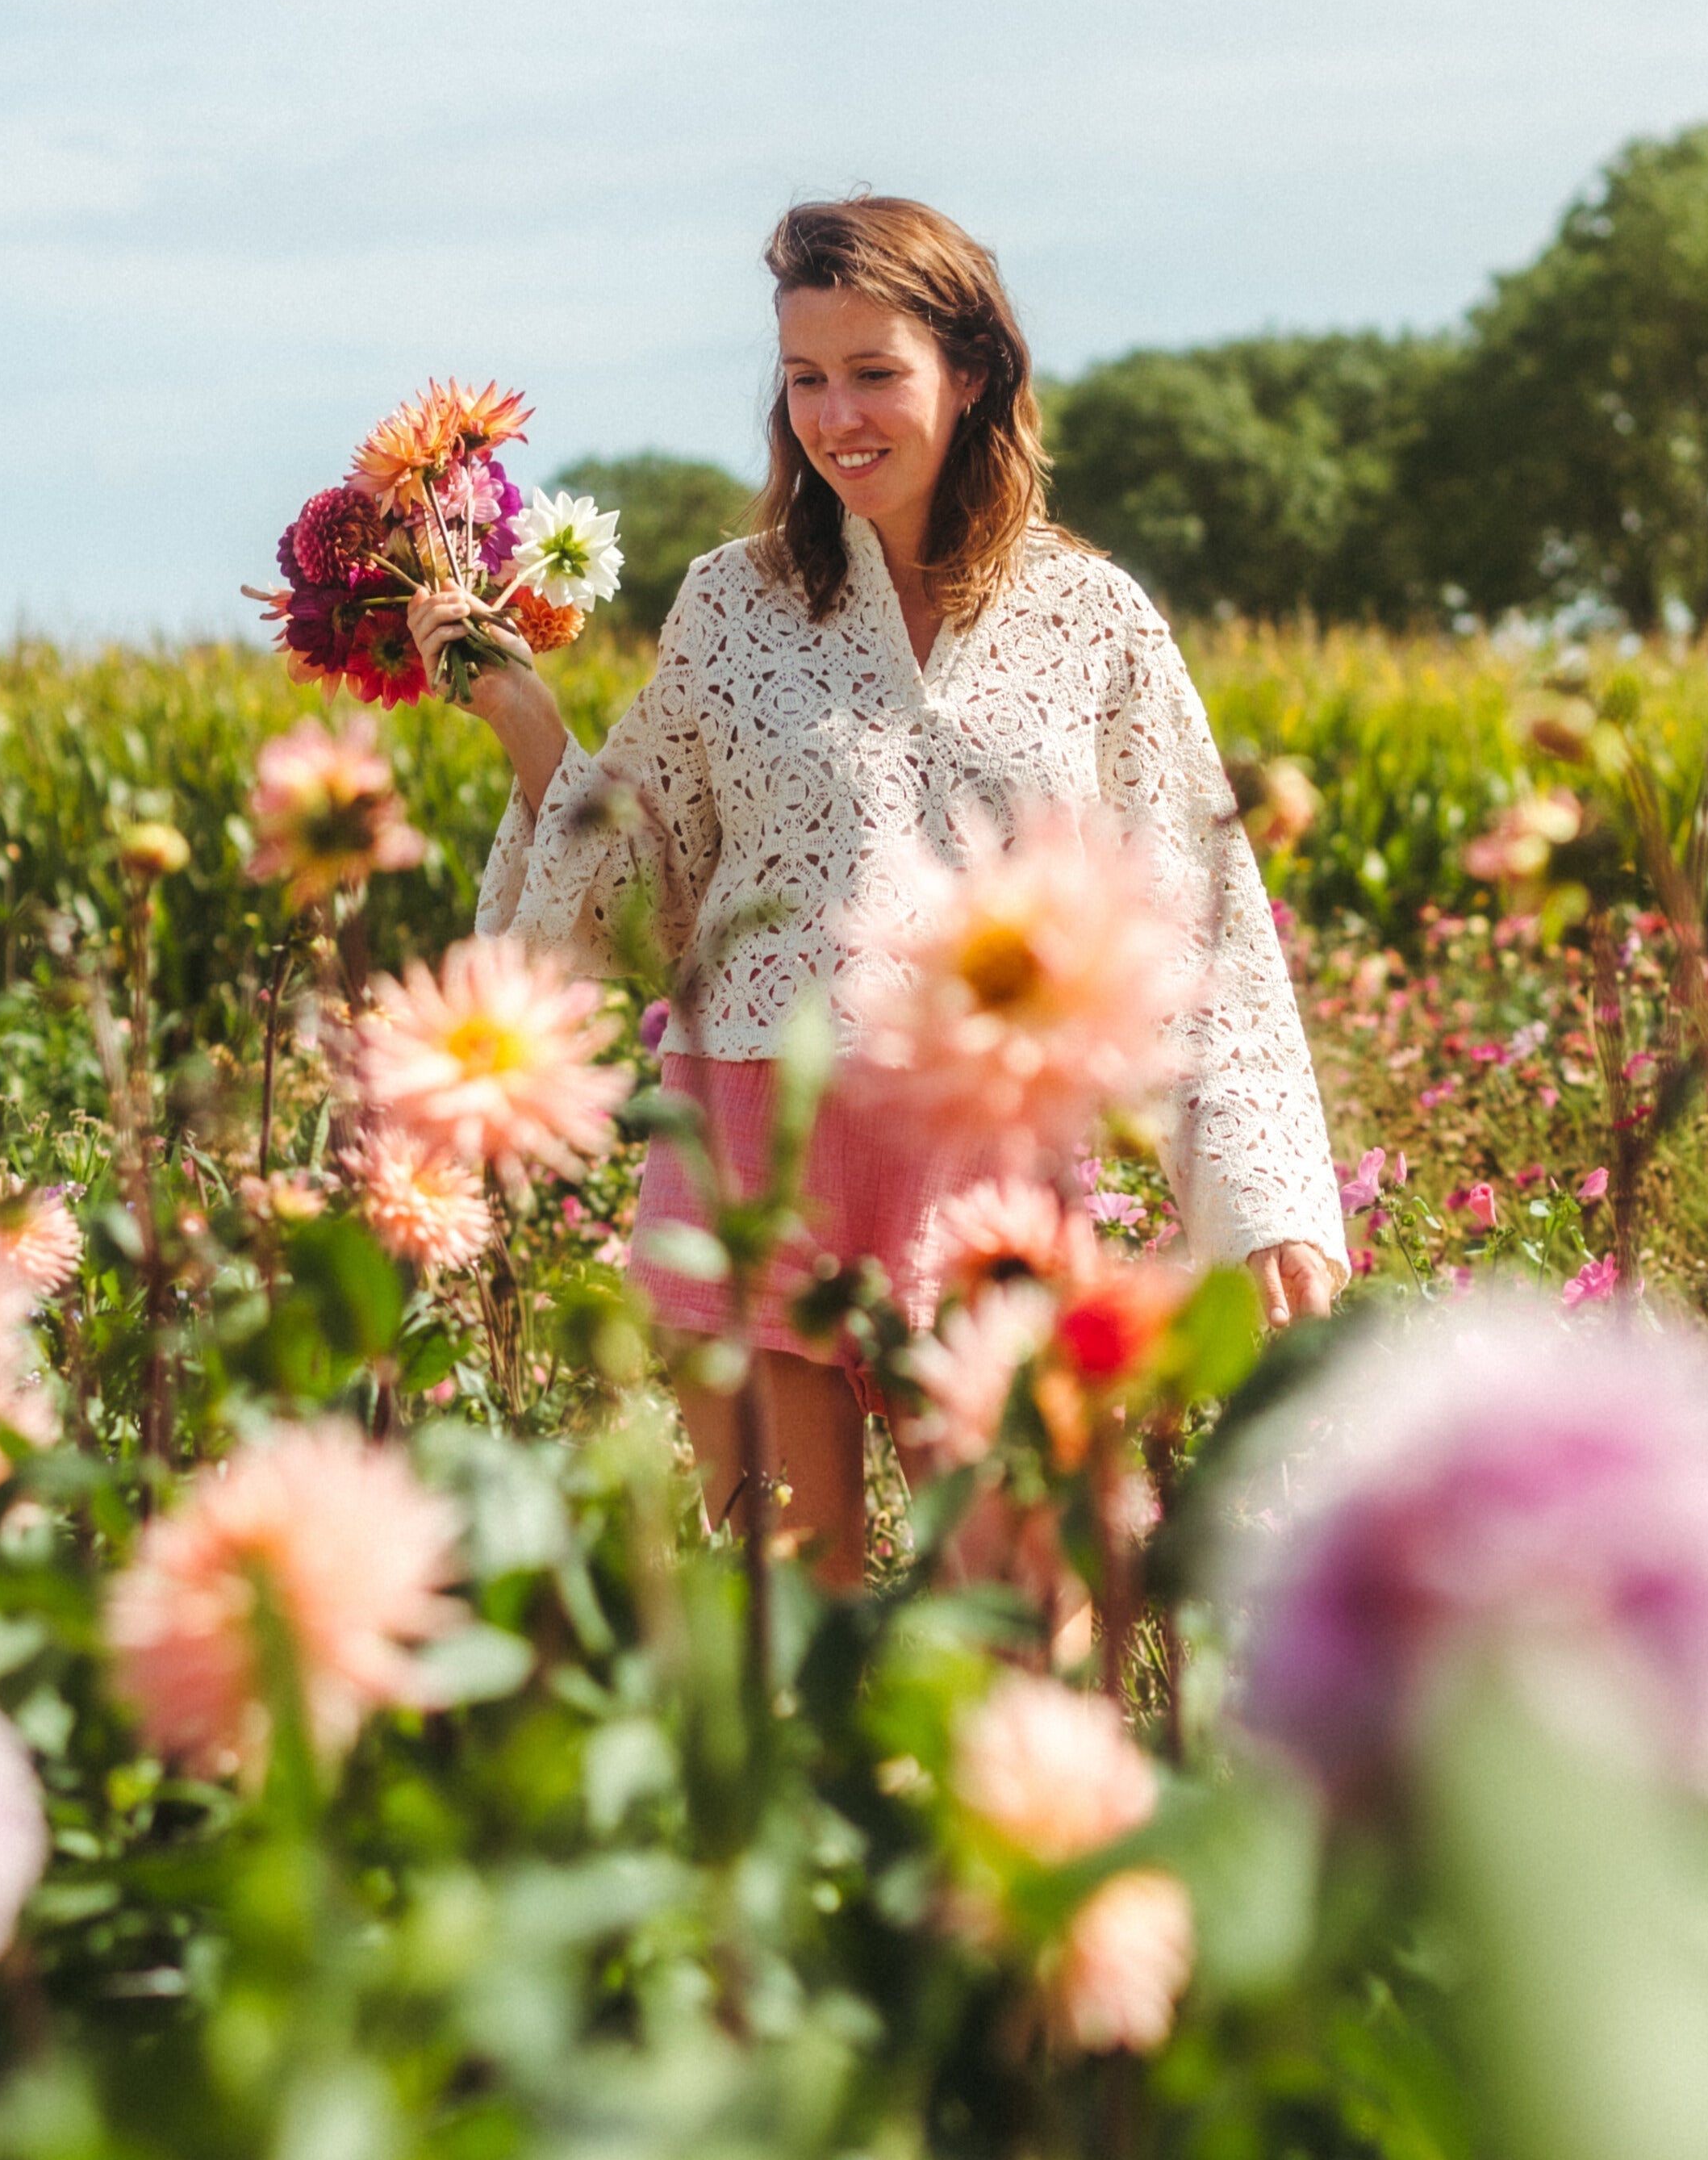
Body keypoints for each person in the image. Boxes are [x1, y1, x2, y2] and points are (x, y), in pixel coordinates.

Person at [411, 194, 1347, 1574]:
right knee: (797, 1607)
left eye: (873, 373)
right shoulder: (732, 603)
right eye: (803, 380)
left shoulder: (1096, 620)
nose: (834, 415)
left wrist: (1265, 1190)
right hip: (756, 1134)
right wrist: (522, 718)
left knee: (1031, 1593)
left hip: (992, 1155)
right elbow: (646, 881)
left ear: (971, 375)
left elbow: (1194, 905)